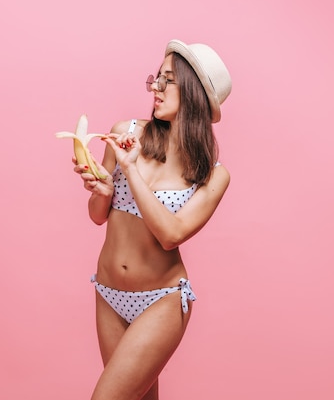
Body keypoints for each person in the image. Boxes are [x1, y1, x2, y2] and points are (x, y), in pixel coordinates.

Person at [71, 39, 232, 400]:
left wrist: (130, 171)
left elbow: (170, 235)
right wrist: (101, 192)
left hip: (161, 301)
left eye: (168, 81)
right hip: (108, 294)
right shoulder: (127, 133)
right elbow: (98, 217)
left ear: (193, 94)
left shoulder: (212, 175)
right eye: (156, 78)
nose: (155, 88)